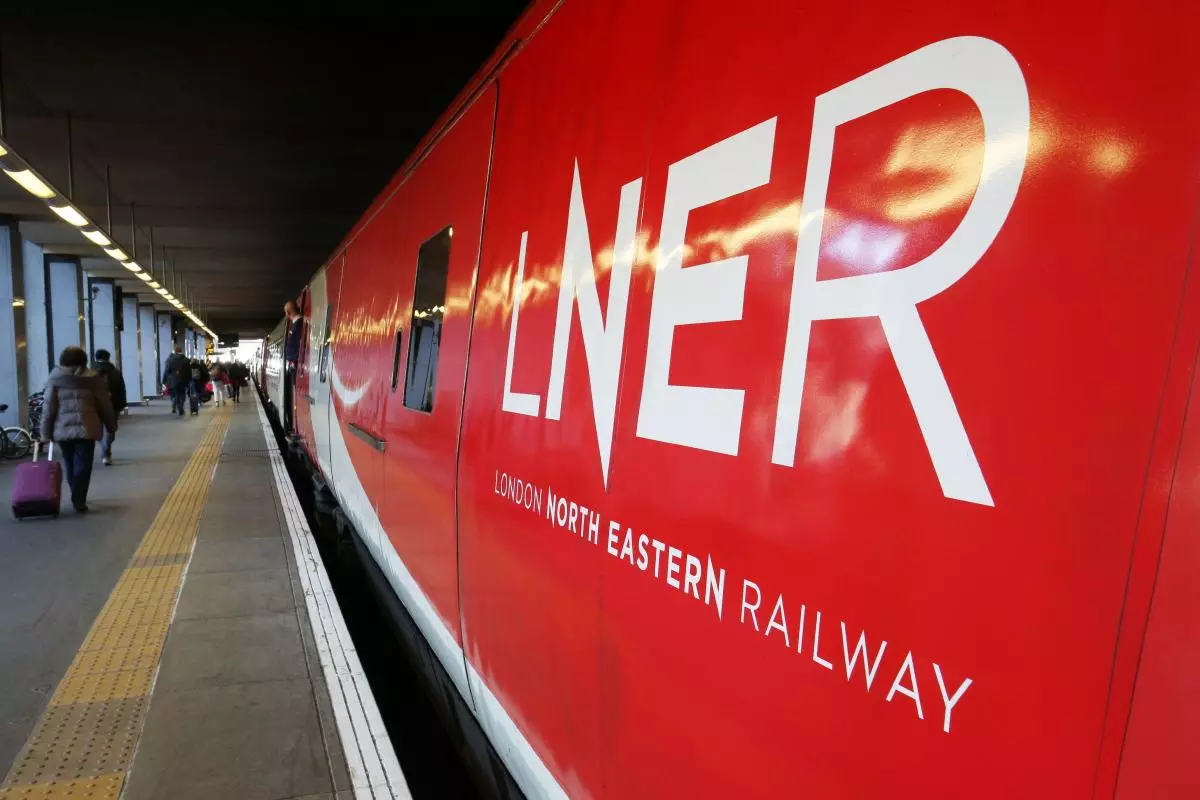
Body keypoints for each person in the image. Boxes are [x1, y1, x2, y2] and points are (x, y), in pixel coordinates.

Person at [41, 346, 117, 513]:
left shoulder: (55, 378)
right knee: (83, 465)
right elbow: (105, 404)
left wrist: (45, 433)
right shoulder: (93, 379)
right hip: (87, 428)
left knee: (69, 463)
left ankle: (77, 494)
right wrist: (110, 425)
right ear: (84, 360)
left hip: (62, 429)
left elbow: (48, 408)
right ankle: (79, 498)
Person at [91, 349, 127, 466]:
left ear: (96, 358)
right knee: (110, 428)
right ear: (108, 358)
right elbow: (121, 390)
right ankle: (106, 452)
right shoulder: (115, 372)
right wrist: (122, 404)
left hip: (95, 405)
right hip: (112, 405)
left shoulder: (90, 372)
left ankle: (104, 449)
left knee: (99, 428)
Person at [284, 300, 303, 433]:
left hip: (296, 365)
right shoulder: (296, 324)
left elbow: (298, 346)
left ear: (287, 313)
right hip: (294, 363)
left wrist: (293, 360)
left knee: (296, 393)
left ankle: (297, 424)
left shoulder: (298, 324)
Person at [162, 347, 191, 416]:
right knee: (182, 393)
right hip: (183, 379)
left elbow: (166, 371)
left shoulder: (170, 360)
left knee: (176, 393)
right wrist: (189, 380)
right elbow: (189, 371)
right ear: (181, 351)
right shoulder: (186, 360)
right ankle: (181, 405)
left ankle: (177, 405)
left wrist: (164, 379)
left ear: (175, 351)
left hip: (173, 380)